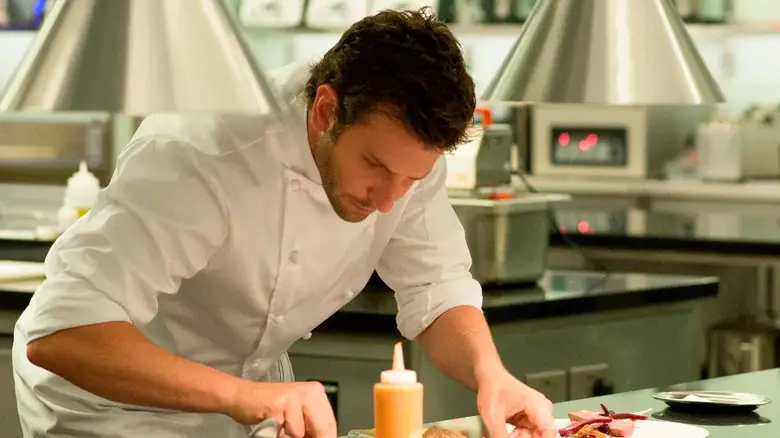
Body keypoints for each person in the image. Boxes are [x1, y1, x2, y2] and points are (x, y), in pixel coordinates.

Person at [12, 7, 555, 438]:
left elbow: (436, 286)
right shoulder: (202, 151)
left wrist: (492, 377)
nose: (390, 201)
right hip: (112, 410)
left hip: (255, 400)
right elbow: (62, 333)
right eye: (374, 167)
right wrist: (245, 397)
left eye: (411, 180)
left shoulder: (406, 157)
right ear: (324, 111)